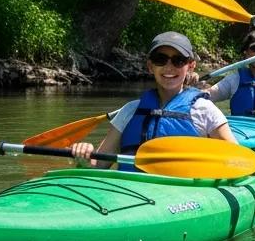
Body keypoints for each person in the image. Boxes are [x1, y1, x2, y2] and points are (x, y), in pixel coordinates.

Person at [70, 31, 235, 170]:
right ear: (150, 66)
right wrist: (84, 156)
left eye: (178, 60)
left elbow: (234, 158)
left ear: (190, 66)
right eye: (160, 59)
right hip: (129, 194)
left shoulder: (205, 110)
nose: (169, 67)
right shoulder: (130, 111)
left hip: (181, 198)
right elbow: (98, 166)